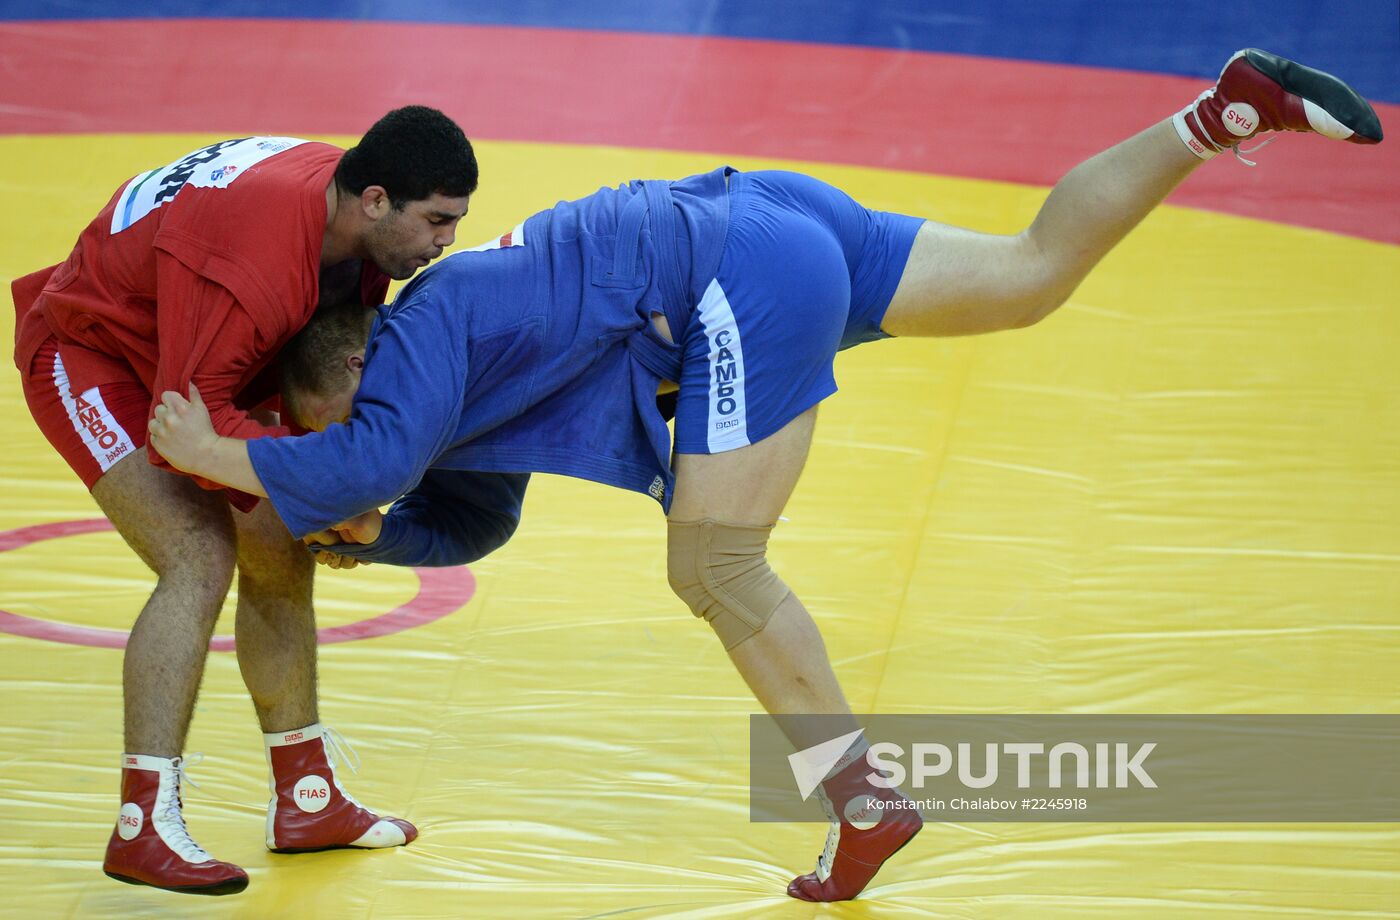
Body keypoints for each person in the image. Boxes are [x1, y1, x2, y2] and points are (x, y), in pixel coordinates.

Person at [147, 51, 1383, 901]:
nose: (335, 451)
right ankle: (1217, 113)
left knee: (715, 558)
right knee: (1022, 275)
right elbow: (471, 518)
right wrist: (375, 539)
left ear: (353, 367)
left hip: (725, 269)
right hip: (751, 216)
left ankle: (858, 797)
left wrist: (224, 457)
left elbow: (365, 455)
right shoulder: (435, 405)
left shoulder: (414, 335)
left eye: (321, 427)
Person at [12, 106, 480, 895]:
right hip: (93, 352)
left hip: (195, 346)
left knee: (278, 542)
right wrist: (327, 491)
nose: (446, 242)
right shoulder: (253, 259)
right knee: (197, 555)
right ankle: (142, 824)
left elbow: (285, 378)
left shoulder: (345, 219)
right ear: (374, 200)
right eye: (436, 221)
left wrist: (320, 492)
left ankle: (307, 799)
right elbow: (186, 436)